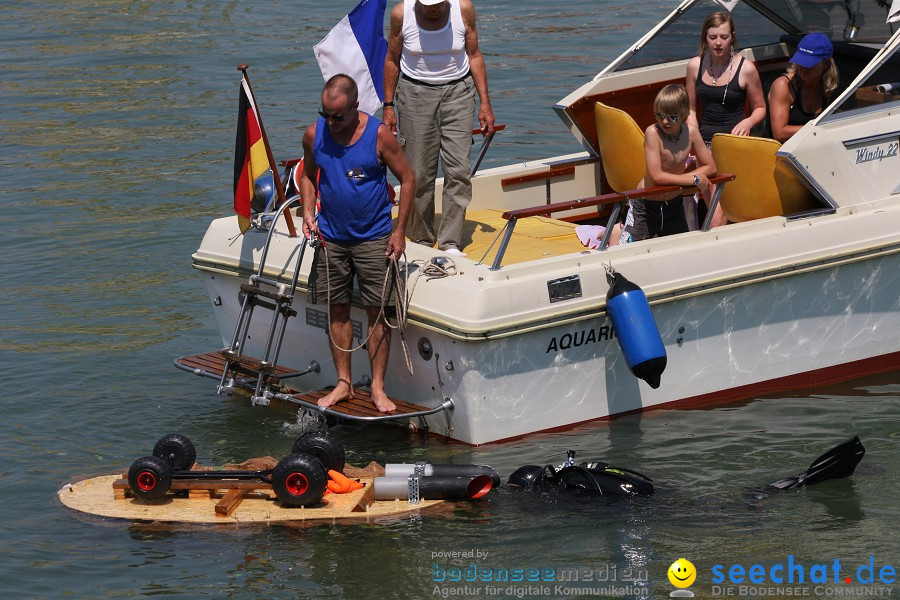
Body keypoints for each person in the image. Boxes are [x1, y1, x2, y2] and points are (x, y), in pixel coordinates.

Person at [299, 74, 415, 413]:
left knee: (377, 312)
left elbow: (408, 179)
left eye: (338, 115)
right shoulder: (314, 135)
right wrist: (308, 211)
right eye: (326, 115)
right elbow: (307, 175)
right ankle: (344, 384)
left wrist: (400, 231)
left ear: (355, 107)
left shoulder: (379, 135)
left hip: (374, 238)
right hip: (331, 238)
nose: (331, 122)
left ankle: (378, 388)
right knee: (336, 308)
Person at [383, 0, 495, 257]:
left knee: (459, 171)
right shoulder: (401, 14)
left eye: (438, 3)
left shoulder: (463, 9)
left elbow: (475, 55)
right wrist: (388, 106)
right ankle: (421, 238)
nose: (434, 8)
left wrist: (485, 104)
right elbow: (392, 59)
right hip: (414, 94)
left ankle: (450, 241)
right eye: (428, 4)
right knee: (418, 173)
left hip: (459, 92)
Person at [686, 11, 765, 228]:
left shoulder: (746, 69)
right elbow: (691, 108)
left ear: (733, 37)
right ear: (705, 38)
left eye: (724, 37)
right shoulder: (695, 65)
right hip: (704, 145)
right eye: (713, 37)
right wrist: (694, 136)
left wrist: (748, 122)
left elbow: (760, 108)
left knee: (719, 213)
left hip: (732, 144)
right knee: (712, 204)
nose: (718, 43)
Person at [618, 84, 716, 245]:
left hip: (674, 206)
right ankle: (616, 230)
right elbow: (657, 176)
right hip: (645, 208)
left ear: (683, 114)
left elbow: (711, 167)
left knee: (680, 251)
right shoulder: (652, 133)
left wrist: (689, 177)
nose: (665, 122)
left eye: (672, 117)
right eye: (659, 116)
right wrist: (694, 179)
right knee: (626, 252)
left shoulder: (691, 132)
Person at [768, 33, 839, 143]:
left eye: (809, 64)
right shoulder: (783, 86)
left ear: (825, 64)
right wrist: (818, 129)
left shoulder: (831, 87)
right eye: (801, 62)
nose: (803, 68)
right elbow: (779, 133)